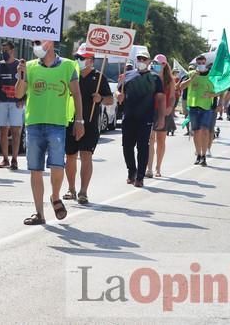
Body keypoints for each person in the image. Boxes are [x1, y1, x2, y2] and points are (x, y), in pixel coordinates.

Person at [15, 40, 84, 224]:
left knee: (56, 166)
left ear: (50, 43)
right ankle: (39, 213)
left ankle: (55, 197)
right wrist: (21, 76)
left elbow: (76, 94)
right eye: (33, 43)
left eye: (38, 42)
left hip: (57, 124)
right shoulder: (28, 66)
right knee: (35, 169)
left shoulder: (69, 66)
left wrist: (79, 120)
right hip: (34, 124)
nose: (35, 46)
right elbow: (18, 94)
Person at [63, 46, 112, 204]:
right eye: (78, 57)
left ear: (91, 60)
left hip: (90, 123)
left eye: (82, 58)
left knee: (86, 155)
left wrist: (100, 99)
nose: (79, 60)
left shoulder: (99, 77)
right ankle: (71, 189)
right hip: (70, 121)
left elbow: (110, 99)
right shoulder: (71, 74)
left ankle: (83, 191)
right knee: (70, 156)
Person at [117, 51, 165, 187]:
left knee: (143, 147)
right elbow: (119, 91)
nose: (141, 61)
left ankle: (140, 177)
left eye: (144, 59)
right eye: (139, 58)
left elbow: (160, 99)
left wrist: (161, 117)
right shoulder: (128, 75)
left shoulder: (155, 78)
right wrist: (118, 95)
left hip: (145, 117)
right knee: (127, 146)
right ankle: (131, 171)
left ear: (149, 61)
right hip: (128, 116)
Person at [0, 40, 24, 170]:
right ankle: (5, 158)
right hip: (2, 102)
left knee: (15, 131)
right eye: (2, 50)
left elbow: (25, 82)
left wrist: (23, 98)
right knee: (3, 130)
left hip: (16, 102)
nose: (4, 53)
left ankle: (14, 159)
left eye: (6, 50)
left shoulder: (20, 65)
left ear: (12, 51)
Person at [180, 55, 216, 166]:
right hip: (193, 107)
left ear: (205, 63)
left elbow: (217, 90)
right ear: (196, 64)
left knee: (205, 131)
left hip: (206, 107)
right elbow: (181, 86)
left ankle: (204, 155)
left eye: (202, 62)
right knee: (196, 132)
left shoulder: (211, 76)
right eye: (199, 63)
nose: (201, 64)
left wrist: (210, 94)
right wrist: (191, 79)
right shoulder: (191, 74)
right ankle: (199, 154)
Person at [147, 54, 175, 178]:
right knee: (150, 139)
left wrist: (170, 108)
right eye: (156, 63)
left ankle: (158, 167)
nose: (158, 65)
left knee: (161, 140)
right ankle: (149, 168)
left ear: (165, 65)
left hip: (165, 112)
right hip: (151, 110)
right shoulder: (149, 76)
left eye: (161, 63)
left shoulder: (170, 80)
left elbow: (173, 97)